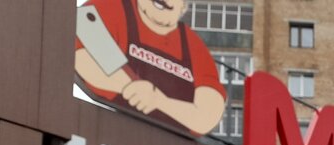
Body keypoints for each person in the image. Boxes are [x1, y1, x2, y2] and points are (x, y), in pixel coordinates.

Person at [75, 0, 225, 135]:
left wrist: (159, 101)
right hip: (107, 126)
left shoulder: (194, 46)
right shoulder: (112, 7)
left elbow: (208, 115)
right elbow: (82, 57)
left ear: (183, 6)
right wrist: (128, 86)